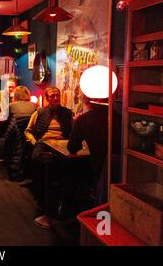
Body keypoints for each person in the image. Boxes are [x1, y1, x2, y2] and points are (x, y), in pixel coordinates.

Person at [24, 86, 74, 228]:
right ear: (47, 98)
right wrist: (34, 142)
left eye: (57, 95)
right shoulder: (39, 112)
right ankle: (40, 194)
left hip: (62, 143)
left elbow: (72, 132)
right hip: (44, 142)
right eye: (52, 96)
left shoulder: (67, 113)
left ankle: (61, 199)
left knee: (67, 165)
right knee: (36, 159)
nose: (55, 98)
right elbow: (28, 131)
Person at [67, 97, 122, 205]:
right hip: (122, 170)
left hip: (98, 170)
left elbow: (72, 147)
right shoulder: (120, 117)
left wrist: (76, 124)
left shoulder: (84, 119)